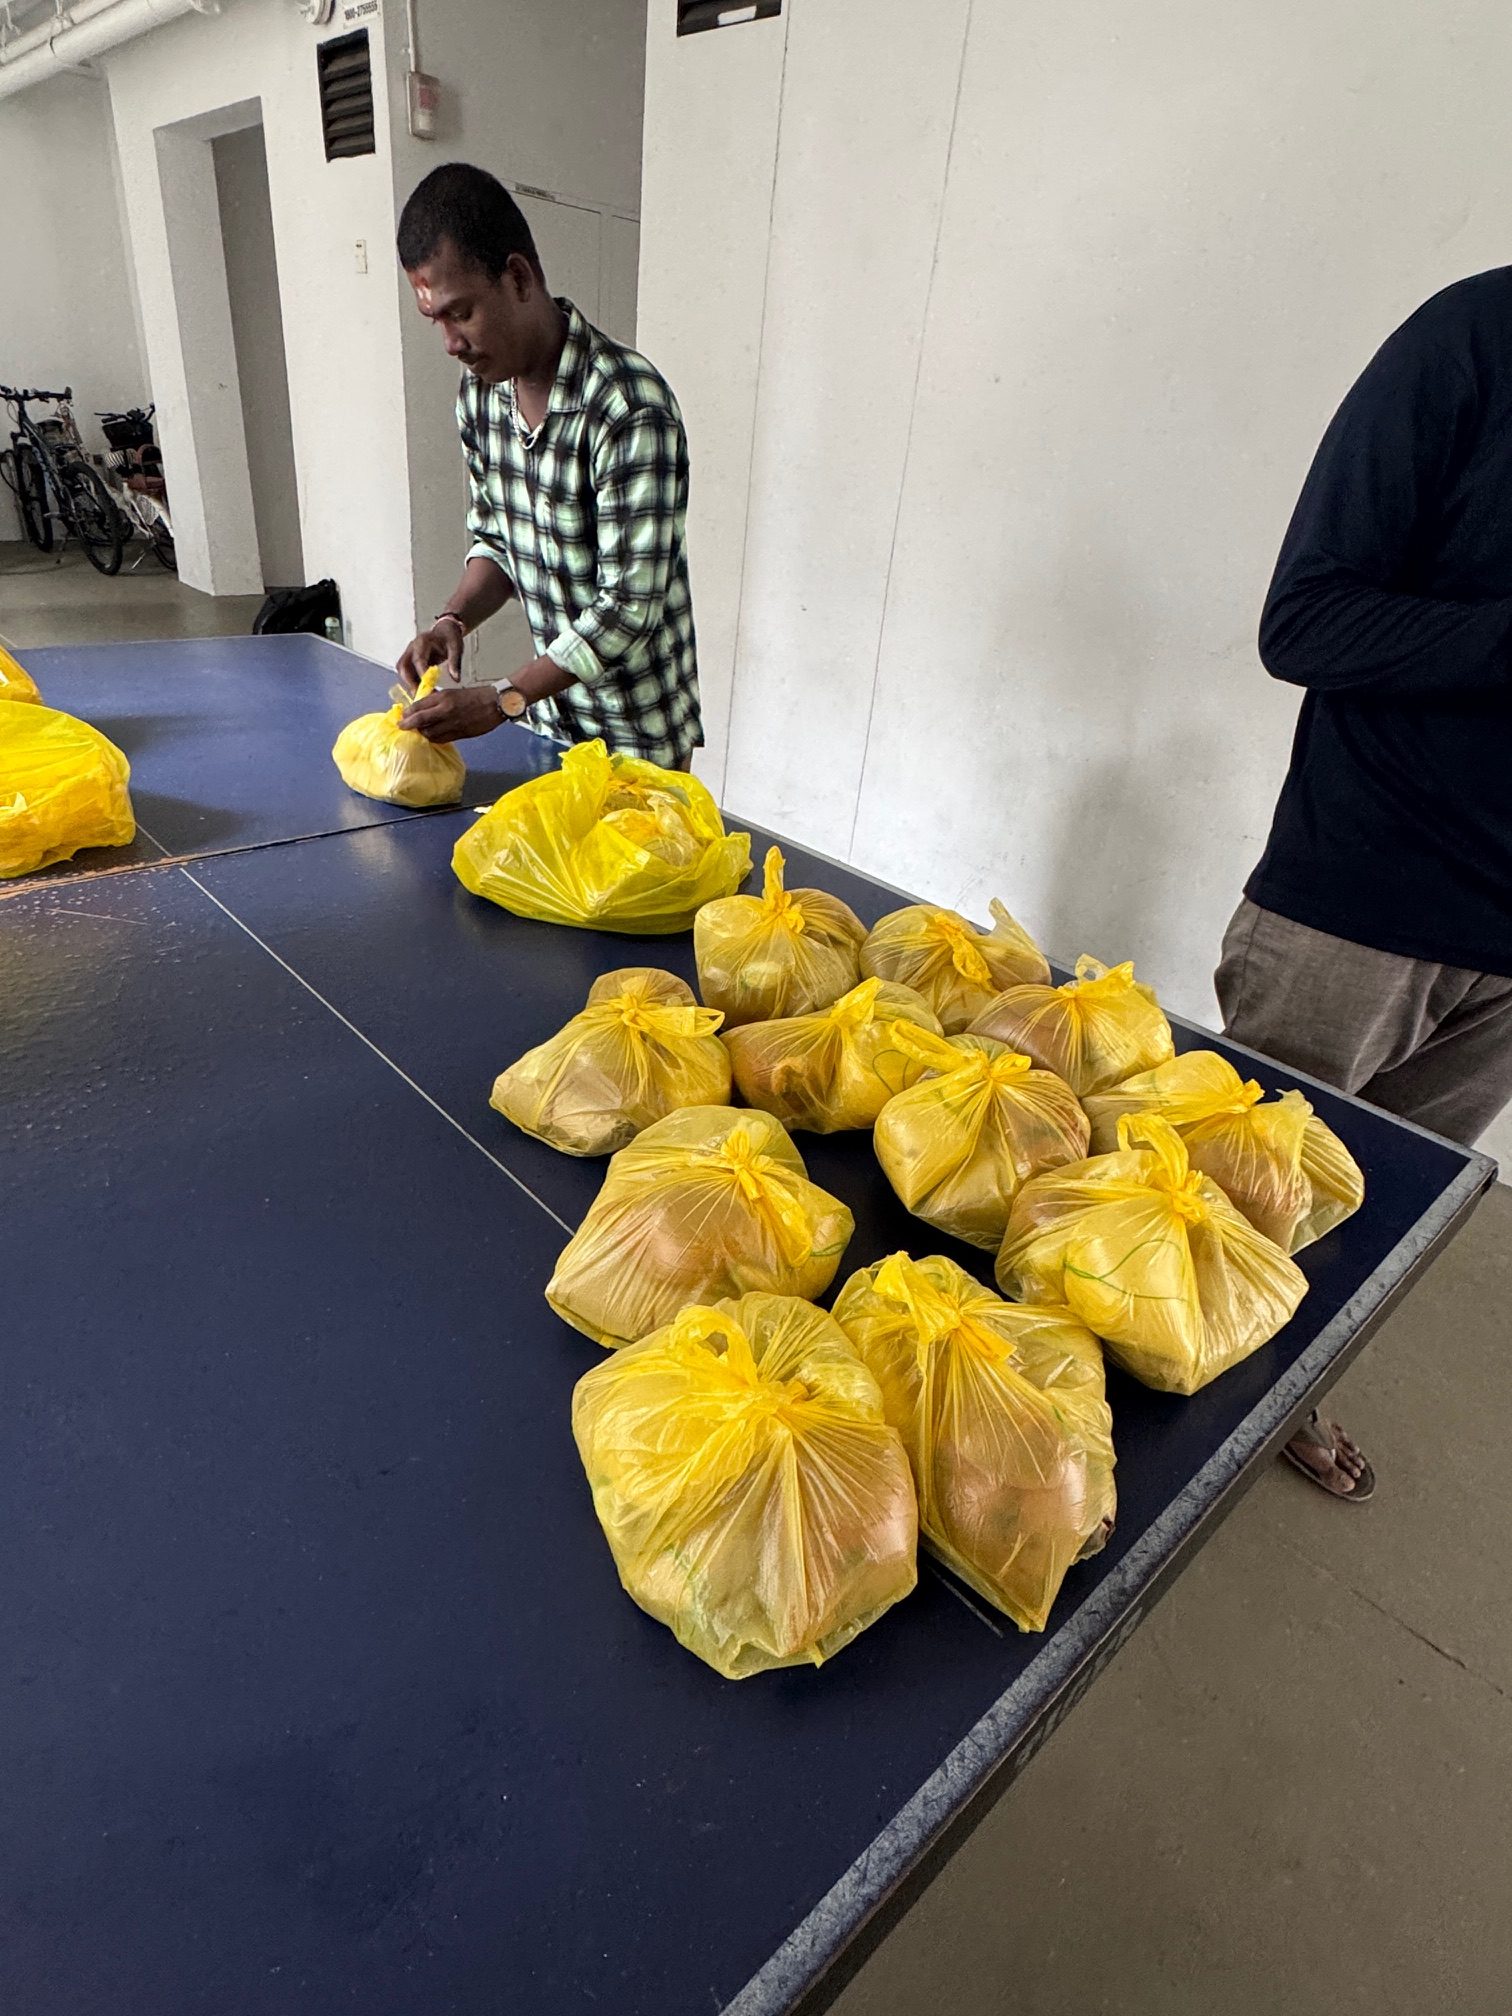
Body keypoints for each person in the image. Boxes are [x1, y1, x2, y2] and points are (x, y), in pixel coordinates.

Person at [1217, 267, 1512, 1501]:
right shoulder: (1473, 341)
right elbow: (1305, 620)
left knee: (1375, 1219)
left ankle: (1286, 1392)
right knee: (1221, 1206)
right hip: (1360, 898)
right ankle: (1129, 1430)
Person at [393, 163, 702, 769]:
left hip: (638, 741)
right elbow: (499, 542)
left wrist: (502, 699)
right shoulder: (480, 397)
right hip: (552, 728)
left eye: (462, 313)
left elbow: (628, 608)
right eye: (436, 321)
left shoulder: (628, 406)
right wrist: (454, 618)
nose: (450, 343)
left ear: (517, 277)